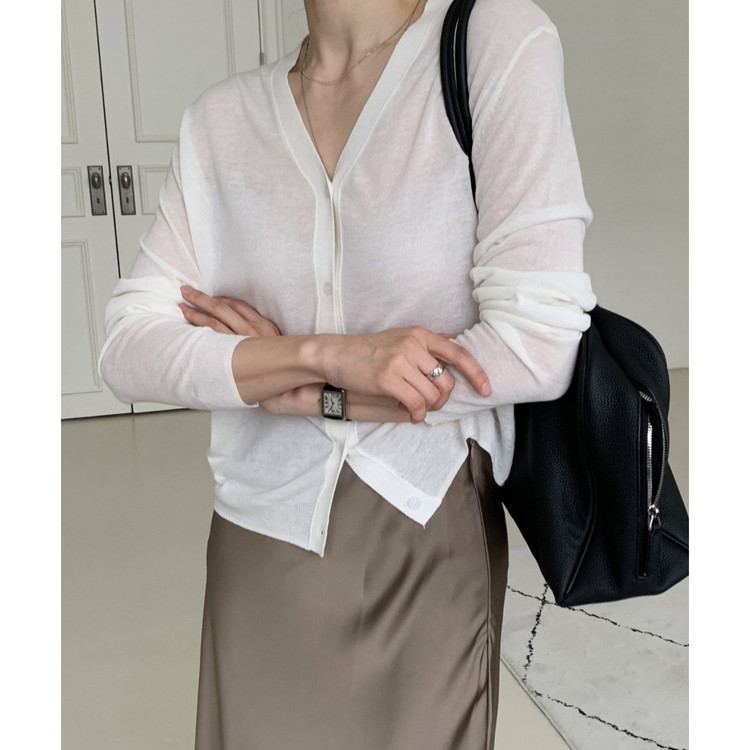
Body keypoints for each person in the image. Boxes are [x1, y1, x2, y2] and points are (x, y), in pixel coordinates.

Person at [97, 0, 597, 747]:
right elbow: (125, 348)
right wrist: (318, 356)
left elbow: (537, 342)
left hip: (424, 523)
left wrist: (304, 394)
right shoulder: (221, 122)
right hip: (260, 531)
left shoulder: (492, 41)